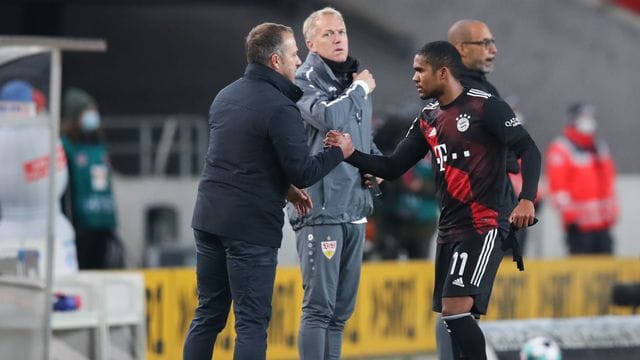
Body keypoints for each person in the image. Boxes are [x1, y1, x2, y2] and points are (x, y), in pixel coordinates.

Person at [326, 41, 541, 359]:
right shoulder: (428, 118)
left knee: (455, 310)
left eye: (419, 70)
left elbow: (529, 150)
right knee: (454, 318)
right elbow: (393, 166)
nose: (414, 77)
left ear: (443, 72)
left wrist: (526, 199)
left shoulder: (486, 107)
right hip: (449, 230)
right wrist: (350, 153)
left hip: (482, 225)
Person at [183, 22, 354, 360]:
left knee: (208, 315)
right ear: (276, 61)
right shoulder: (280, 107)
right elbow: (304, 171)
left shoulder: (225, 95)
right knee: (250, 323)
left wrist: (284, 188)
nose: (299, 60)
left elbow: (243, 159)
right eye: (293, 54)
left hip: (208, 219)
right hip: (249, 228)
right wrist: (340, 152)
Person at [285, 7, 381, 360]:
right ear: (310, 42)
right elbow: (328, 117)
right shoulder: (304, 79)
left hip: (354, 207)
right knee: (319, 309)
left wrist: (376, 165)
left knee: (340, 314)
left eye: (341, 31)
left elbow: (362, 136)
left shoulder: (351, 80)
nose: (338, 38)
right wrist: (359, 88)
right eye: (328, 34)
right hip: (321, 209)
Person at [61, 87, 124, 270]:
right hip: (81, 225)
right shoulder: (66, 145)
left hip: (104, 222)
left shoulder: (98, 144)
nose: (92, 116)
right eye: (86, 112)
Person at [546, 102, 618, 255]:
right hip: (578, 226)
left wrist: (612, 211)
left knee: (607, 268)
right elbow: (558, 188)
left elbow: (609, 182)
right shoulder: (562, 148)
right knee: (582, 269)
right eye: (584, 116)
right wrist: (570, 216)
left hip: (602, 224)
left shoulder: (599, 147)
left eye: (590, 116)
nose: (589, 120)